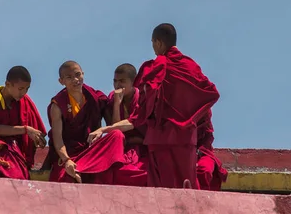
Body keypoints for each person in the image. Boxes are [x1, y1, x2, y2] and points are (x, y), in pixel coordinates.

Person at [88, 23, 220, 189]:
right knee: (187, 188)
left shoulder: (154, 67)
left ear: (158, 43)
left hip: (160, 140)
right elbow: (211, 94)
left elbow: (138, 117)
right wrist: (189, 118)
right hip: (186, 140)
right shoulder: (190, 66)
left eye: (152, 43)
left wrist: (103, 129)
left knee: (162, 192)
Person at [45, 60, 127, 183]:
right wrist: (67, 160)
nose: (75, 80)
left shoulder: (95, 97)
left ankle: (83, 167)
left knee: (117, 135)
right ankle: (78, 167)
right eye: (69, 77)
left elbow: (114, 127)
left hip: (92, 151)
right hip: (71, 155)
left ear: (83, 74)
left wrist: (116, 103)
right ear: (61, 81)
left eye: (78, 74)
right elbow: (58, 140)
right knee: (64, 177)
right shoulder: (57, 106)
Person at [104, 63, 148, 187]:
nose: (117, 85)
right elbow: (115, 130)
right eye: (115, 81)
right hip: (122, 146)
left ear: (133, 82)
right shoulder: (113, 97)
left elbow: (136, 124)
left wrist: (138, 140)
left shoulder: (141, 98)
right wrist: (117, 104)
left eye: (122, 81)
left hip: (142, 147)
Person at [196, 110, 228, 190]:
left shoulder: (203, 110)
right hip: (178, 152)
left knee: (204, 169)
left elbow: (207, 138)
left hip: (202, 153)